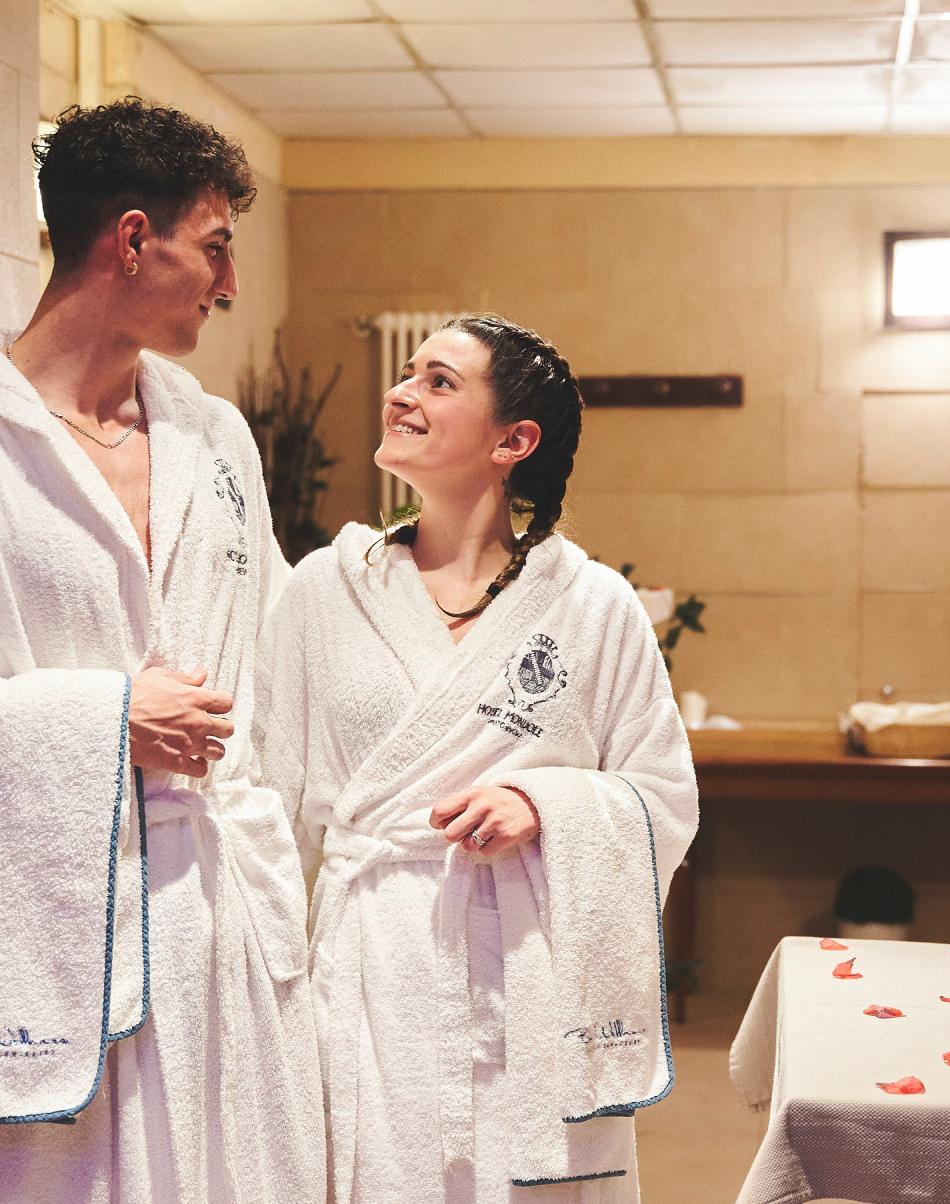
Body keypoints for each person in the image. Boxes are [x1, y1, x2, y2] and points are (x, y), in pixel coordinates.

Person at [0, 98, 320, 1203]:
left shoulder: (214, 441)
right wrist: (106, 723)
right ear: (131, 239)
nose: (229, 284)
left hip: (224, 928)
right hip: (45, 935)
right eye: (215, 247)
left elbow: (281, 655)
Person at [257, 314, 699, 1202]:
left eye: (438, 381)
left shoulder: (593, 606)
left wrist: (547, 807)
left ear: (513, 441)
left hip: (527, 962)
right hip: (368, 964)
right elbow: (270, 800)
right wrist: (269, 983)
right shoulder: (323, 592)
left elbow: (662, 796)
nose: (401, 393)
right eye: (407, 373)